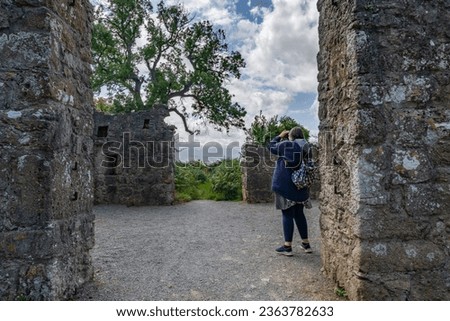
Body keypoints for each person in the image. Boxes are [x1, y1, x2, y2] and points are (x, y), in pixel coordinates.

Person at [268, 127, 312, 256]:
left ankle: (287, 246)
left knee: (287, 214)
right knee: (299, 214)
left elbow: (271, 147)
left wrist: (279, 136)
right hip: (301, 186)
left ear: (290, 136)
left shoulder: (287, 144)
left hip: (286, 186)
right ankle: (306, 244)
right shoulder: (307, 147)